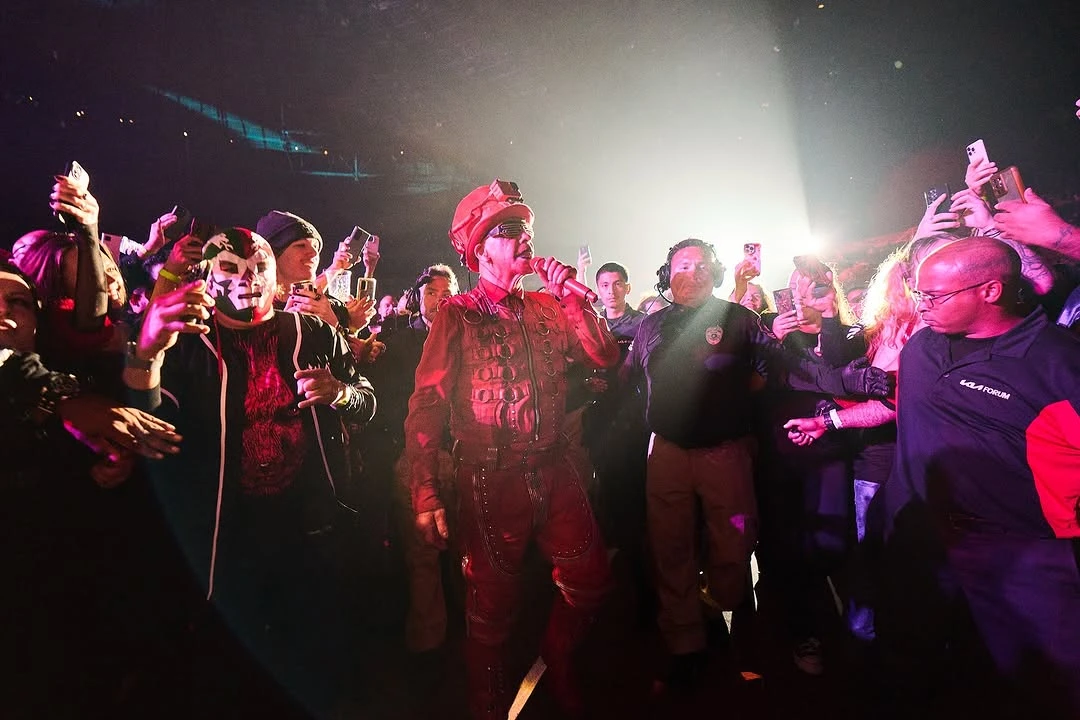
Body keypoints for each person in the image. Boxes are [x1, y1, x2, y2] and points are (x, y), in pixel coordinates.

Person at [124, 227, 376, 717]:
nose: (247, 280)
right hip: (225, 529)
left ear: (273, 274)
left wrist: (341, 394)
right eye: (231, 269)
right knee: (233, 657)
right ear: (208, 278)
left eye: (258, 267)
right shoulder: (187, 344)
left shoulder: (312, 332)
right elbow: (149, 426)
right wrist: (149, 350)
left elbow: (369, 400)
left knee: (312, 642)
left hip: (306, 521)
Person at [624, 238, 890, 686]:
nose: (693, 271)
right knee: (670, 549)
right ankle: (686, 645)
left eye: (702, 264)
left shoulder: (740, 320)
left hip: (724, 450)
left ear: (717, 272)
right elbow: (629, 378)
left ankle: (715, 601)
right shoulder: (650, 325)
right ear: (667, 275)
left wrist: (851, 379)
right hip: (666, 449)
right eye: (682, 265)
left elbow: (788, 367)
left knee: (736, 543)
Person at [402, 179, 619, 719]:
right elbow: (427, 403)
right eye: (509, 231)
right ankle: (488, 706)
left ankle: (558, 659)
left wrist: (573, 294)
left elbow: (604, 356)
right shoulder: (455, 313)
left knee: (590, 584)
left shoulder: (548, 305)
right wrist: (425, 489)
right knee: (491, 613)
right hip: (487, 479)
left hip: (555, 466)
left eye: (526, 229)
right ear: (479, 250)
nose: (525, 239)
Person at [879, 238, 1080, 717]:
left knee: (1047, 686)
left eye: (935, 297)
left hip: (1019, 555)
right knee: (924, 670)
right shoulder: (924, 347)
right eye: (919, 294)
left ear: (990, 291)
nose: (921, 306)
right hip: (922, 541)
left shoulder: (1054, 363)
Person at [366, 264, 461, 654]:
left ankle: (473, 628)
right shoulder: (397, 343)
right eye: (431, 291)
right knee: (421, 555)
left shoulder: (469, 337)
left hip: (464, 453)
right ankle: (428, 641)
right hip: (415, 459)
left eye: (446, 291)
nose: (439, 298)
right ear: (417, 297)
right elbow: (386, 401)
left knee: (466, 546)